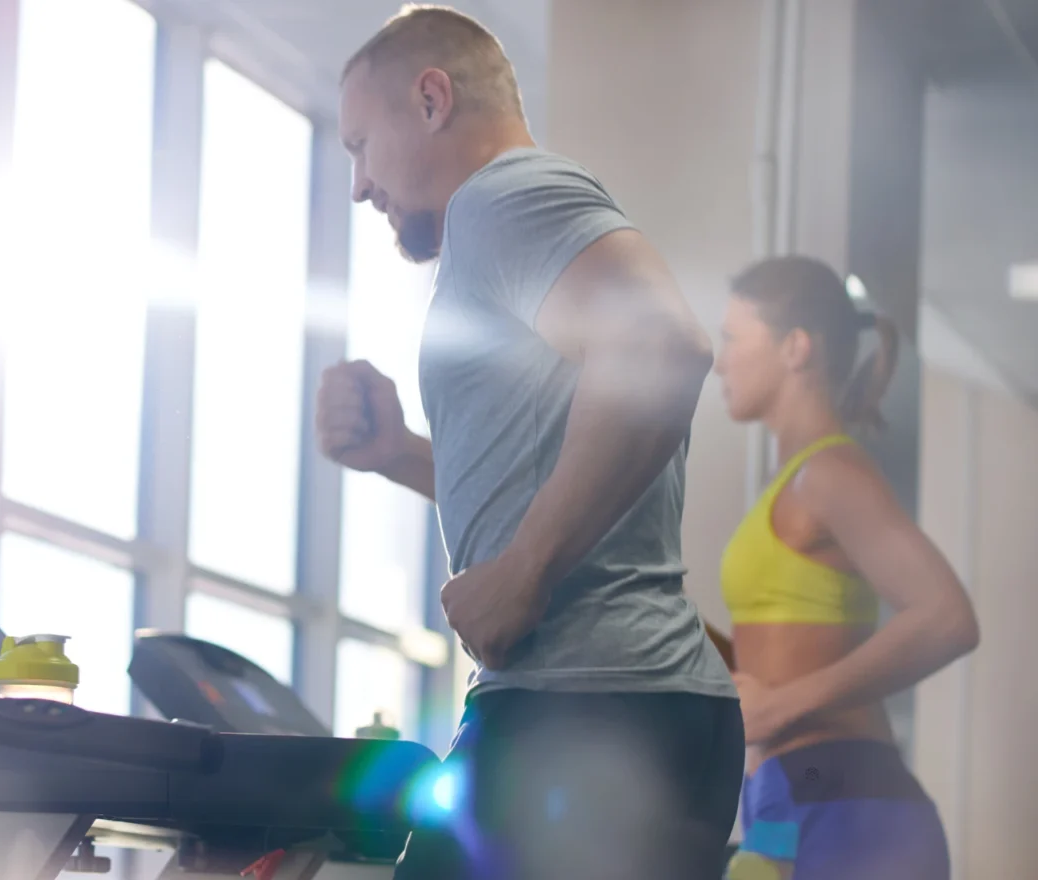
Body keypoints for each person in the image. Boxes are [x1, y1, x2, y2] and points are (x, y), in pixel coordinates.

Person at [317, 6, 741, 878]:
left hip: (586, 711)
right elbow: (554, 464)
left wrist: (525, 573)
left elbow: (660, 350)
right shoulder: (506, 218)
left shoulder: (503, 197)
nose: (359, 184)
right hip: (614, 710)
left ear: (432, 98)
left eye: (360, 144)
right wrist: (400, 452)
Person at [710, 255, 978, 880]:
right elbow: (771, 660)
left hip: (844, 792)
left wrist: (778, 708)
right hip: (786, 793)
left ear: (796, 347)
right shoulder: (791, 484)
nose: (719, 361)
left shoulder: (829, 473)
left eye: (731, 339)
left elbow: (948, 618)